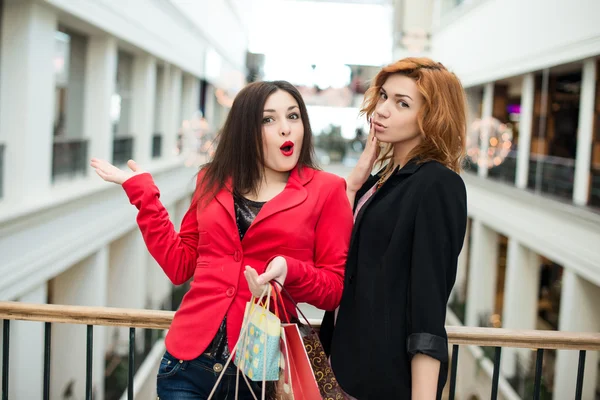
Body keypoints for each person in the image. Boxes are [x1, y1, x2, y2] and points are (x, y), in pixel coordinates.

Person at [90, 80, 353, 399]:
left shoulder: (327, 190)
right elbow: (179, 264)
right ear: (245, 130)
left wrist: (290, 271)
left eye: (293, 116)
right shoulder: (210, 179)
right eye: (268, 119)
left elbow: (334, 289)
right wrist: (144, 196)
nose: (285, 129)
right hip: (187, 364)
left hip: (259, 372)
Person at [321, 57, 468, 399]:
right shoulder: (381, 181)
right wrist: (354, 183)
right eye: (384, 96)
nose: (382, 110)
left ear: (431, 117)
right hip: (344, 369)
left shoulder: (438, 184)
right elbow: (338, 248)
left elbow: (428, 305)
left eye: (402, 103)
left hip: (385, 382)